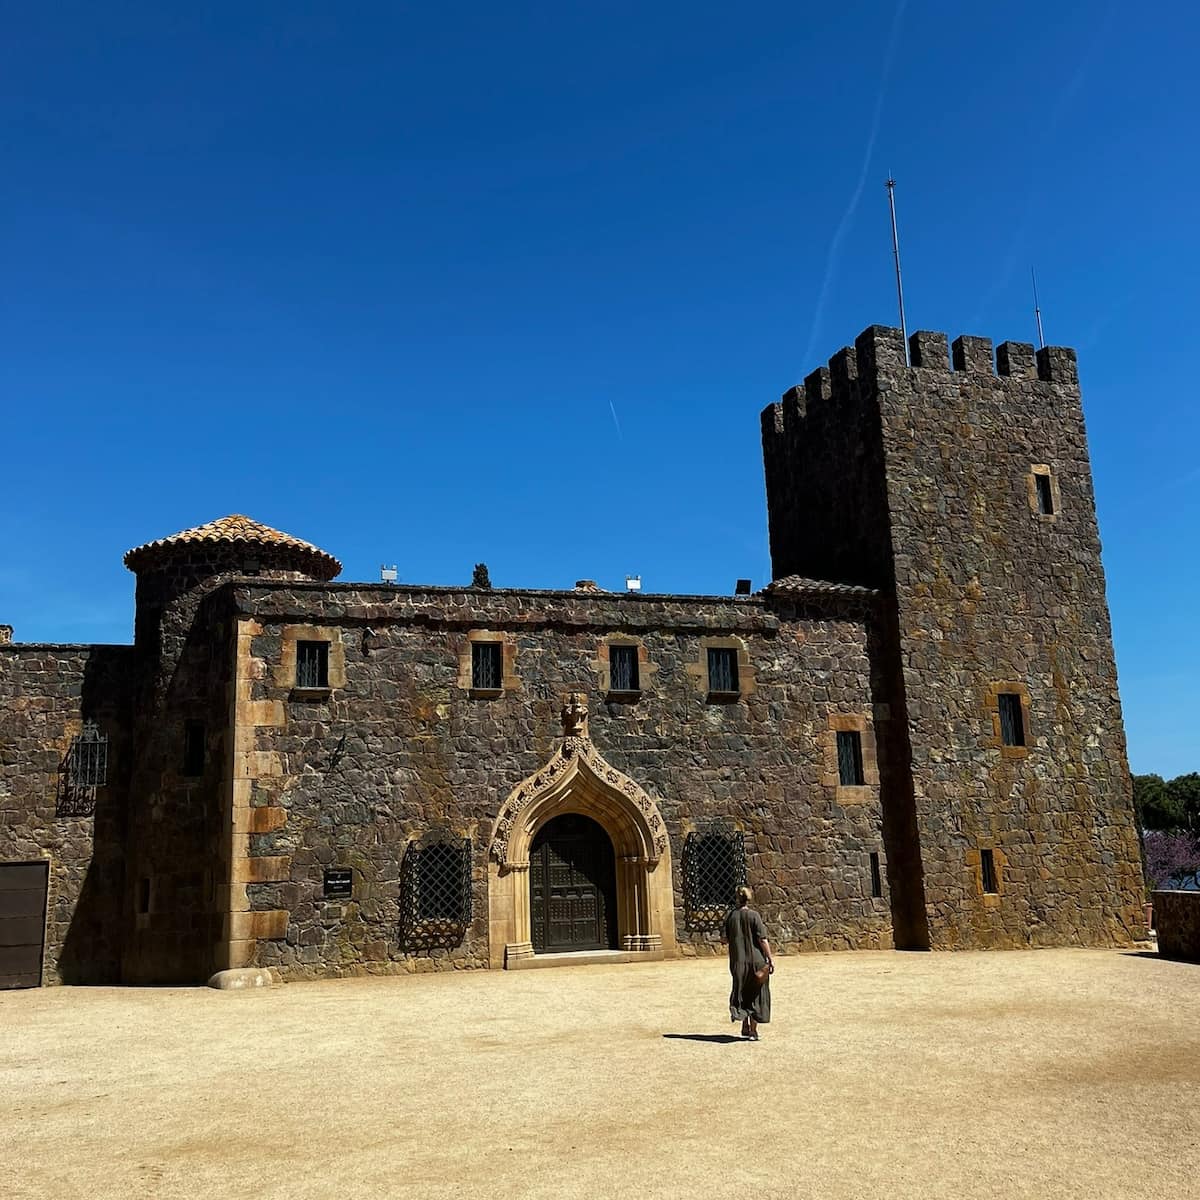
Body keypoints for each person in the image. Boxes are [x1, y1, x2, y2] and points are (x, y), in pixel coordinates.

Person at [724, 885, 773, 1040]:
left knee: (742, 992)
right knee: (755, 993)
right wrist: (770, 958)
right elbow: (762, 939)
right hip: (756, 961)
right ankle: (753, 1031)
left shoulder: (731, 917)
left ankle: (744, 1025)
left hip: (738, 962)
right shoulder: (754, 916)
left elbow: (724, 938)